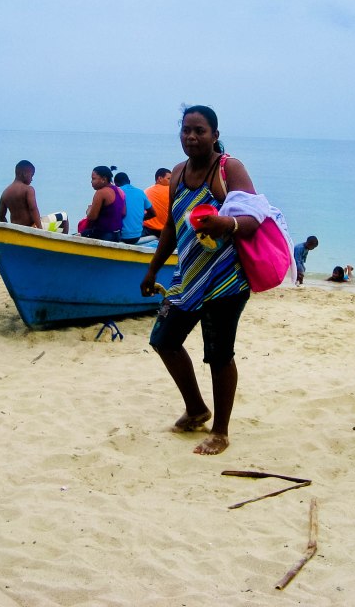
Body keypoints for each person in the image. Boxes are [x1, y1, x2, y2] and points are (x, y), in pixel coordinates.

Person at [140, 105, 256, 456]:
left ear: (215, 135)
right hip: (186, 277)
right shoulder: (177, 173)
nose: (191, 136)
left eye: (200, 130)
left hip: (226, 280)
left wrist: (227, 224)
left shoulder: (228, 169)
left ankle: (220, 431)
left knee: (219, 355)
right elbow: (172, 229)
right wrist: (152, 269)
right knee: (164, 339)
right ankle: (196, 409)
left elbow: (255, 218)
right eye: (186, 130)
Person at [81, 165, 125, 242]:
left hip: (104, 235)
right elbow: (124, 213)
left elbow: (92, 217)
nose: (91, 181)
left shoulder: (101, 193)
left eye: (93, 179)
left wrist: (88, 210)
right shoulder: (120, 191)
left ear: (104, 179)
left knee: (82, 233)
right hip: (117, 235)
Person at [0, 160, 43, 229]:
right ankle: (62, 239)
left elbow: (1, 216)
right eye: (31, 175)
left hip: (16, 230)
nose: (32, 179)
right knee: (63, 217)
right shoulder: (28, 189)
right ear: (24, 174)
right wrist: (40, 229)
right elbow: (33, 209)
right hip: (31, 228)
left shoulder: (5, 193)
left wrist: (9, 230)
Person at [114, 171, 155, 244]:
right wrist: (139, 218)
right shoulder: (140, 192)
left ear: (116, 184)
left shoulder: (116, 192)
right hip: (137, 236)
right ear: (129, 181)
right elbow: (153, 213)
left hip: (121, 237)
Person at [142, 168, 172, 239]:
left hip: (148, 229)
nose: (171, 182)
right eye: (169, 179)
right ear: (160, 178)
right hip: (165, 230)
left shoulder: (146, 191)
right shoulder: (172, 191)